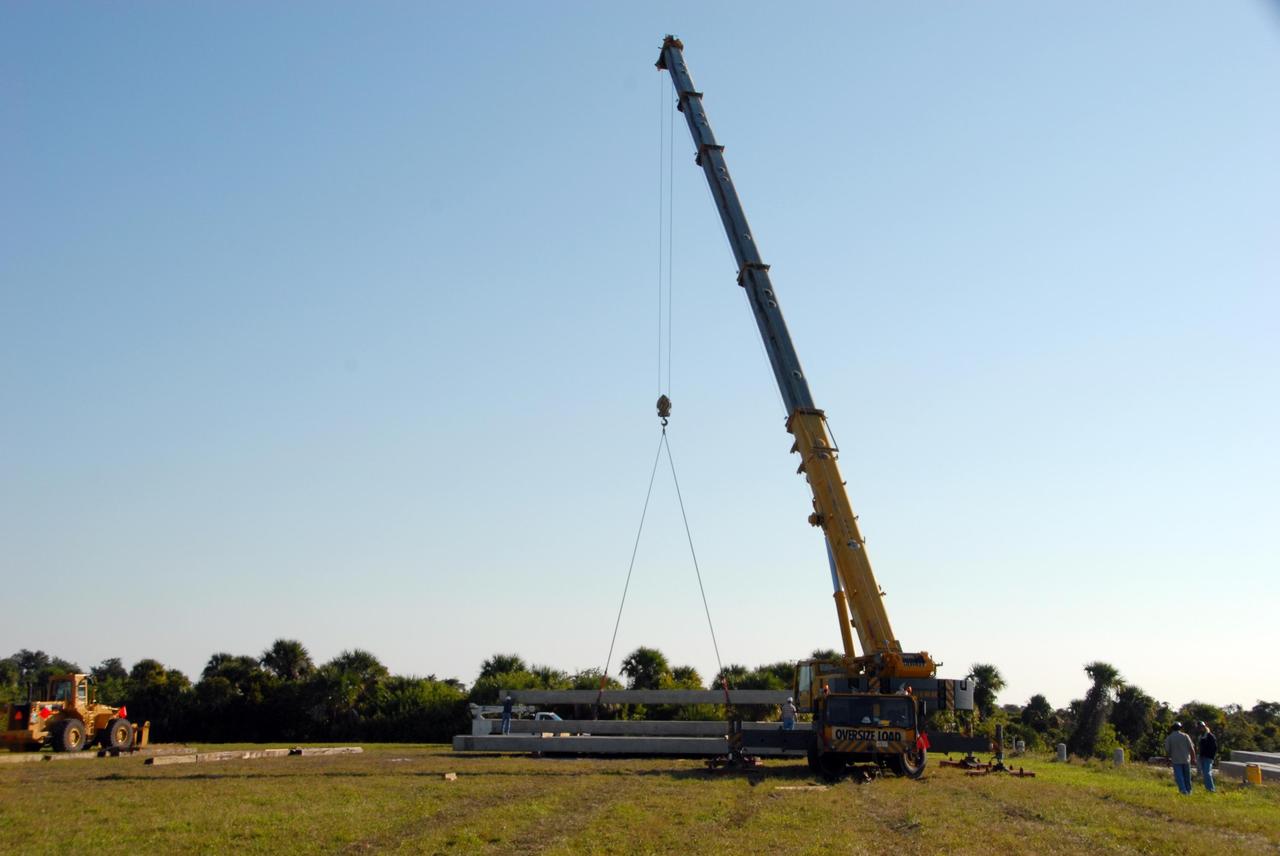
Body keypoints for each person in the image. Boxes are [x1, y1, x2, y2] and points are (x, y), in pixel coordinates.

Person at [1164, 721, 1196, 795]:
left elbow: (1167, 751)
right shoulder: (1185, 736)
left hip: (1176, 760)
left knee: (1179, 777)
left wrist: (1167, 760)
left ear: (1172, 729)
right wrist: (1194, 758)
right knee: (1187, 776)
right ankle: (1189, 790)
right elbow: (1191, 748)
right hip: (1186, 759)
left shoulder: (1169, 738)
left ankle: (1183, 790)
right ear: (1180, 728)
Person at [1196, 721, 1217, 793]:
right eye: (1199, 727)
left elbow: (1214, 748)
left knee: (1207, 773)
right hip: (1202, 757)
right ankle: (1208, 788)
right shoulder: (1201, 737)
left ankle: (1211, 789)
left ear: (1204, 727)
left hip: (1208, 757)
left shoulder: (1210, 736)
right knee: (1204, 773)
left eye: (1201, 727)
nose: (1200, 729)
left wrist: (1212, 757)